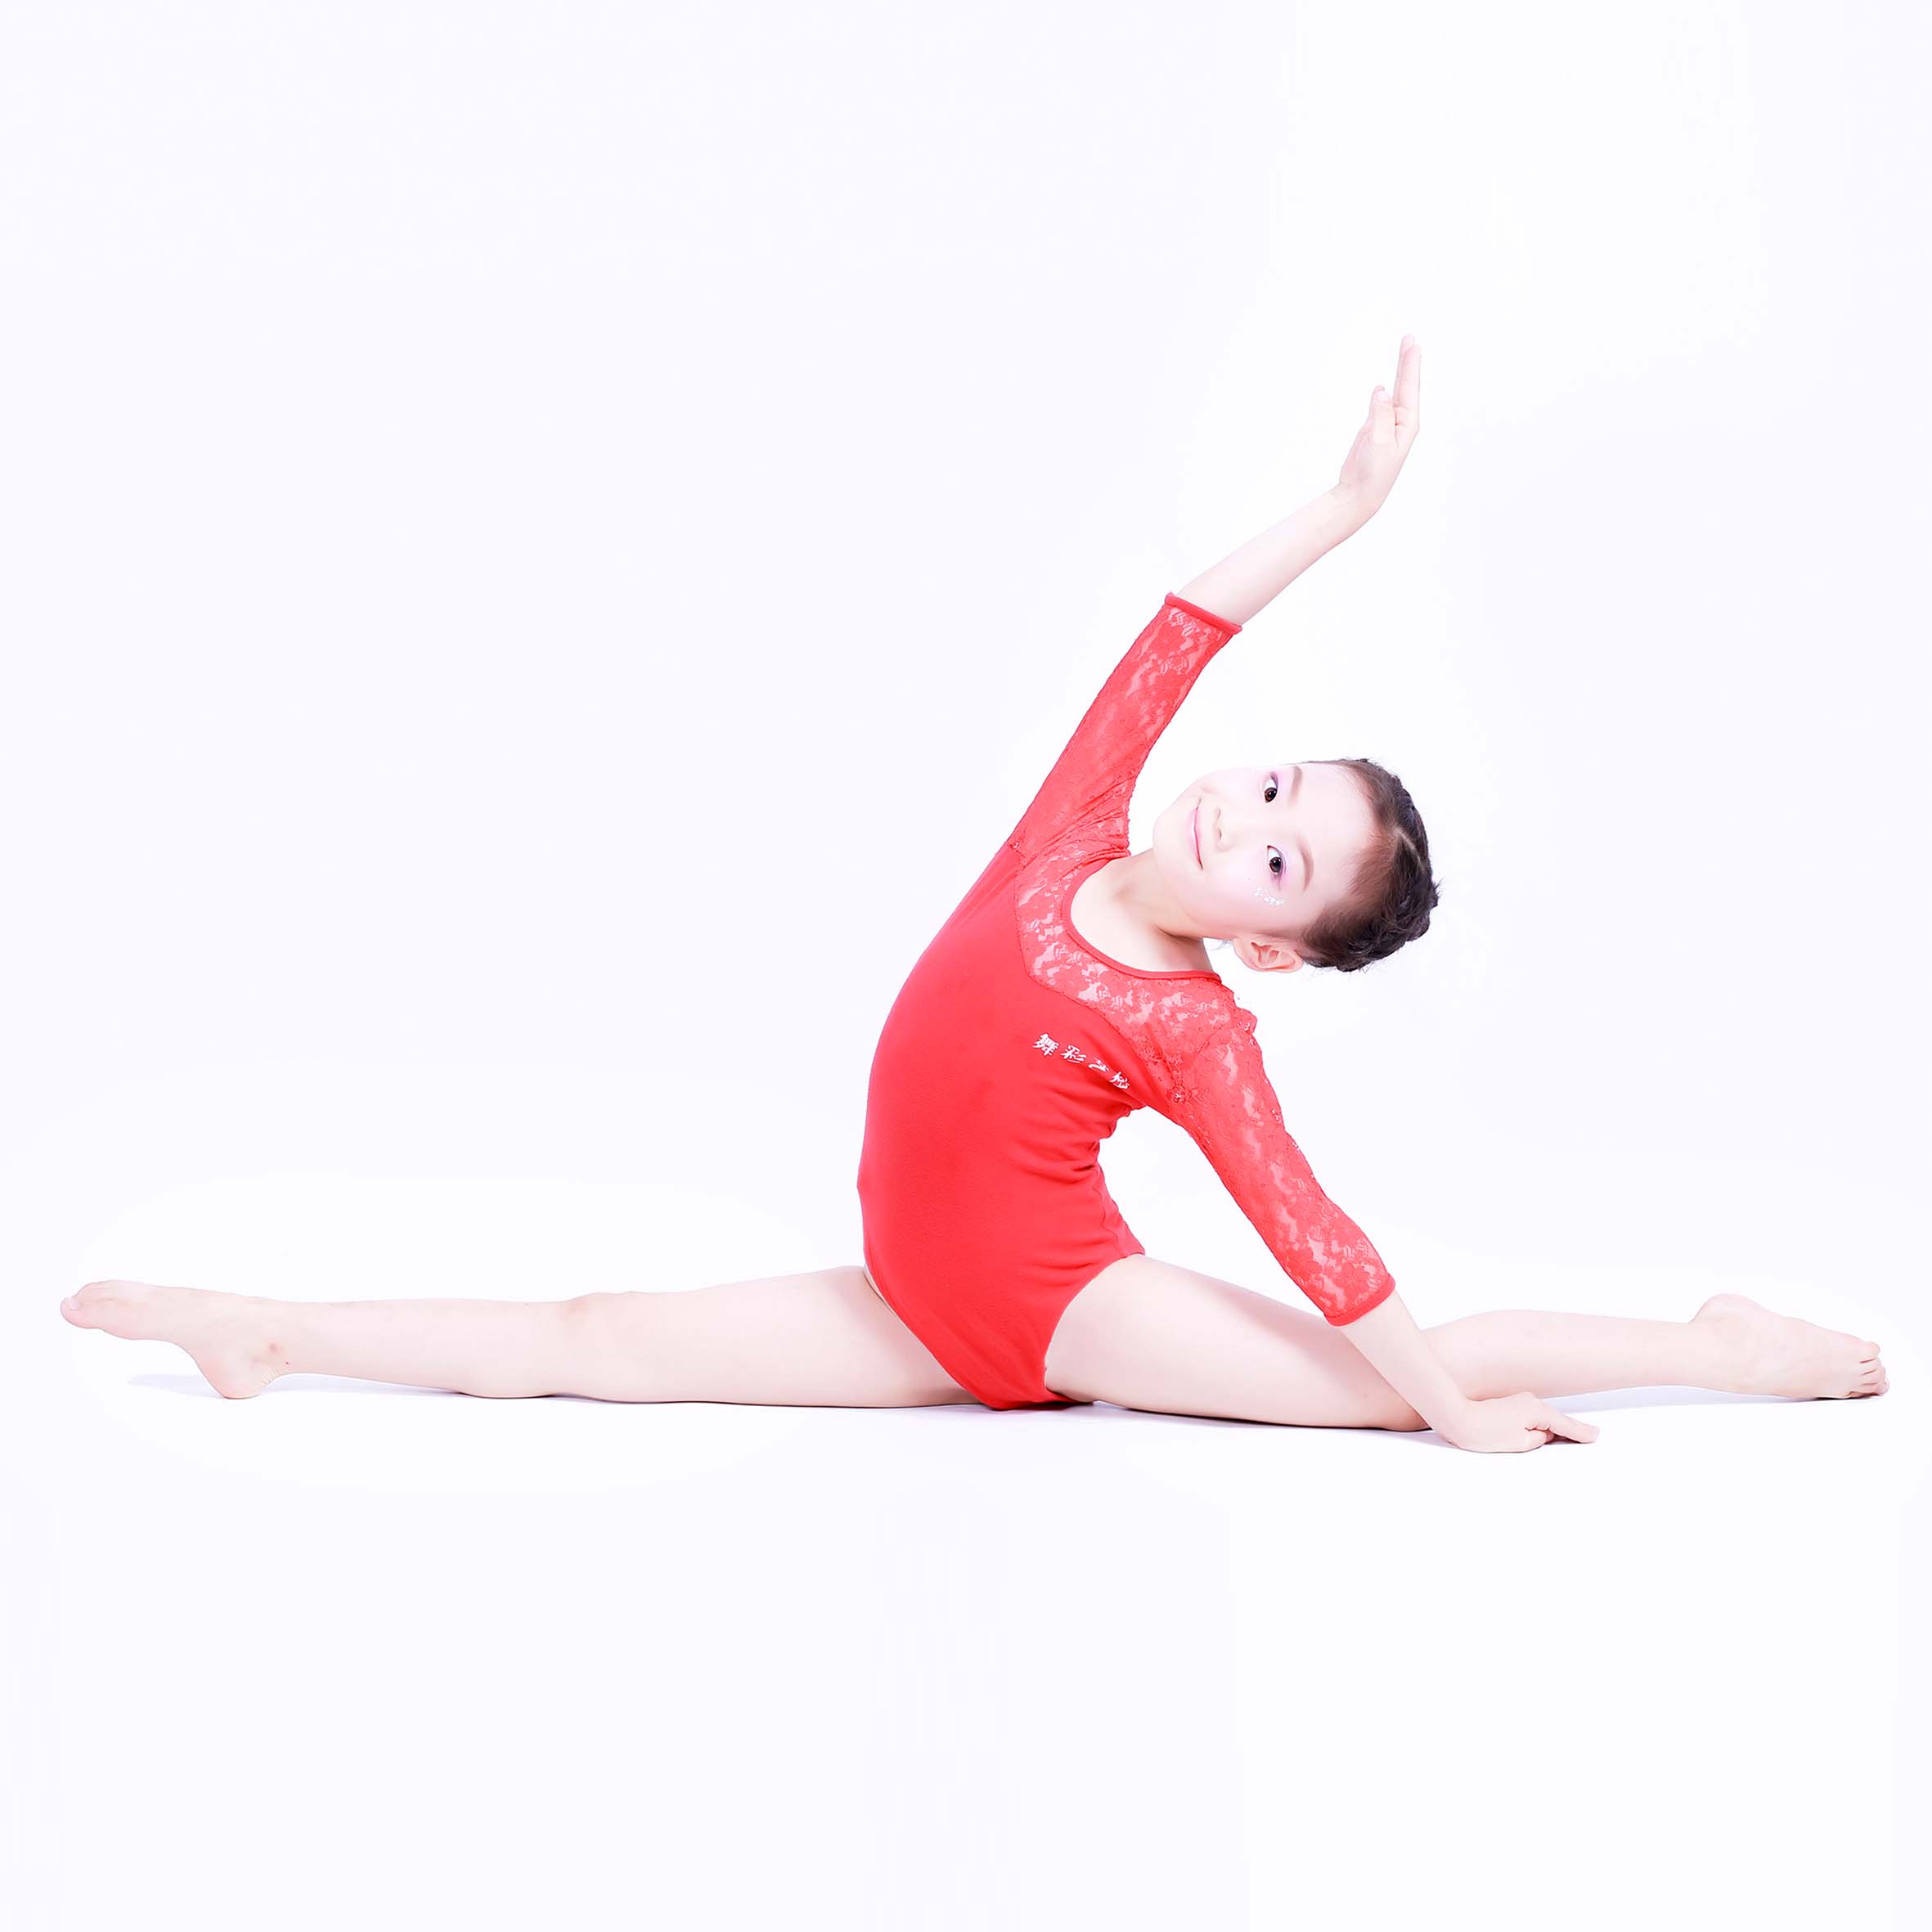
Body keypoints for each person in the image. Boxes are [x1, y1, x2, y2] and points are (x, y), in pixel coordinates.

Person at [59, 337, 1887, 1451]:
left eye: (1279, 859)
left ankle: (1715, 1350)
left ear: (1266, 943)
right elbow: (1184, 630)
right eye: (1272, 787)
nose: (1241, 815)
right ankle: (268, 1331)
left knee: (1382, 1391)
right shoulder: (1077, 825)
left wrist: (1455, 1414)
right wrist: (1341, 507)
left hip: (1061, 1308)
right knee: (591, 1338)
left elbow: (1316, 1239)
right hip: (912, 1297)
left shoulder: (1191, 1024)